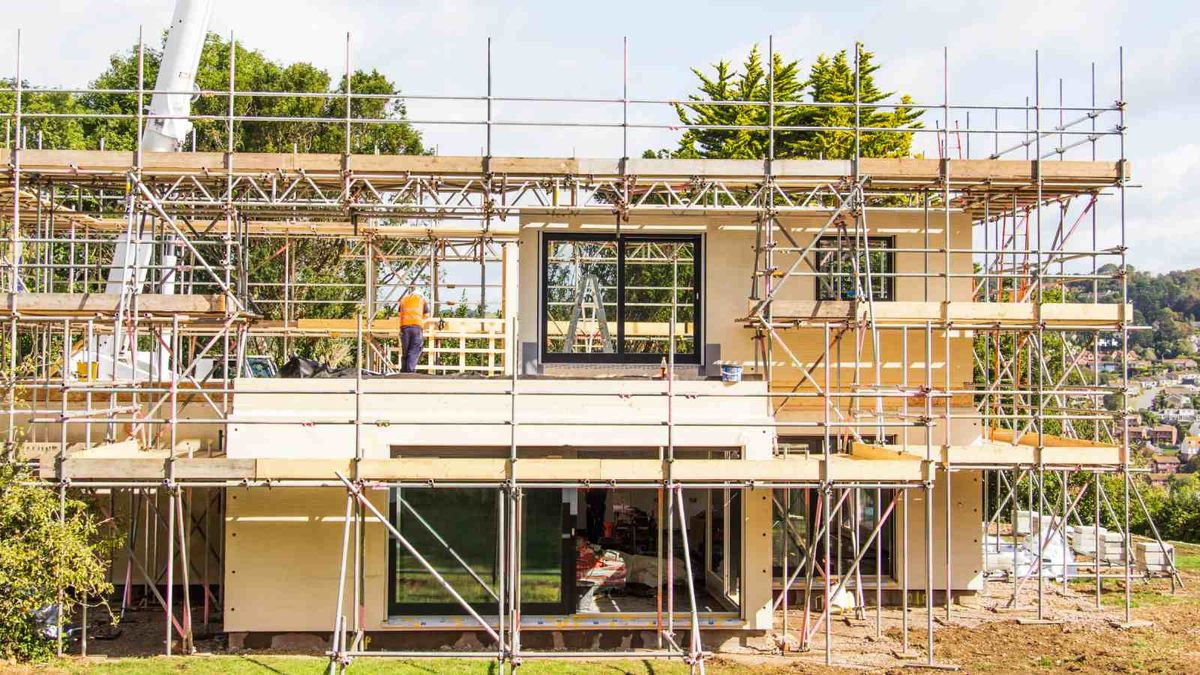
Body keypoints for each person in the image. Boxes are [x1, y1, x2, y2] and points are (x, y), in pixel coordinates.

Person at [398, 290, 432, 373]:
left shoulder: (403, 299)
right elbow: (427, 315)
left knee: (405, 350)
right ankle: (410, 372)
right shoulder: (421, 299)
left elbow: (399, 314)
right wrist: (421, 323)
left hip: (404, 327)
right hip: (416, 328)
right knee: (414, 350)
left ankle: (404, 371)